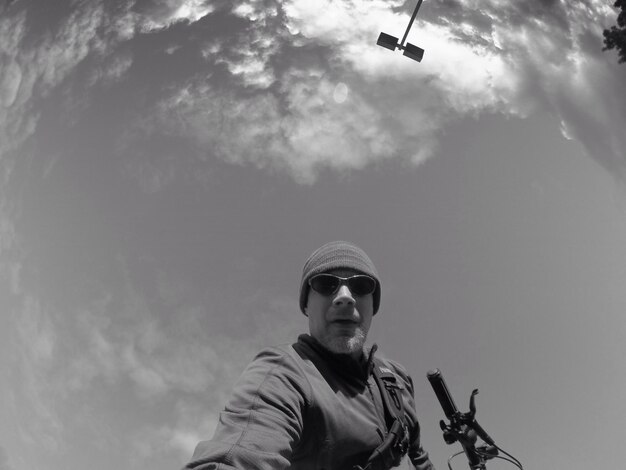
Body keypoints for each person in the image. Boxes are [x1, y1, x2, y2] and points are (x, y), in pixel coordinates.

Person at [183, 241, 435, 470]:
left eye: (361, 286)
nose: (345, 298)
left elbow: (419, 456)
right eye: (326, 284)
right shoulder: (283, 373)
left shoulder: (397, 381)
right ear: (306, 304)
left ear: (373, 304)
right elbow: (239, 455)